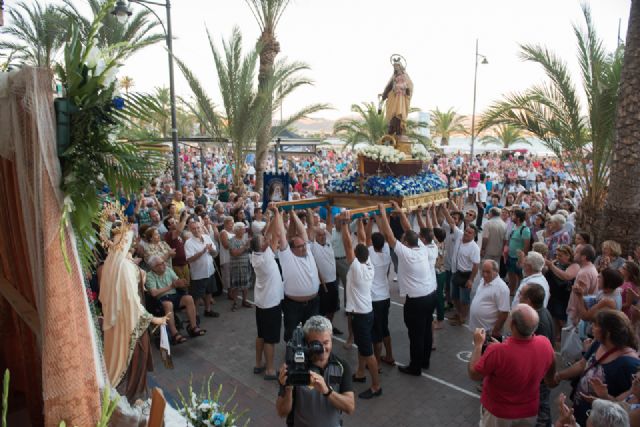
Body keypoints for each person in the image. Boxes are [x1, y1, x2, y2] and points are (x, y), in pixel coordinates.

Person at [99, 227, 170, 403]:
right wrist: (156, 319)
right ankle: (133, 397)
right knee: (135, 359)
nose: (133, 245)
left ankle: (131, 396)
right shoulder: (124, 266)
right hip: (132, 323)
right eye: (130, 242)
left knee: (126, 360)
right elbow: (132, 302)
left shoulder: (112, 262)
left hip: (119, 323)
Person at [468, 304, 556, 426]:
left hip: (499, 414)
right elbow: (550, 372)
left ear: (512, 324)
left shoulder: (497, 351)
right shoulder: (545, 343)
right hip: (529, 412)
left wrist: (478, 345)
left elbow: (474, 374)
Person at [376, 202, 437, 375]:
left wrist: (382, 213)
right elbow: (408, 228)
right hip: (429, 295)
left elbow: (389, 236)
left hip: (416, 300)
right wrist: (400, 211)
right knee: (426, 331)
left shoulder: (406, 252)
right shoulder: (422, 249)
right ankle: (424, 362)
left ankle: (415, 367)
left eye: (403, 240)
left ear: (405, 243)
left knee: (416, 334)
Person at [551, 309, 640, 426]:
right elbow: (582, 364)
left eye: (596, 325)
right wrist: (559, 376)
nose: (592, 327)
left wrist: (604, 397)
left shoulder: (629, 363)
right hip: (581, 410)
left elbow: (624, 402)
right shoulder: (598, 343)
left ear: (607, 332)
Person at [276, 316, 355, 427]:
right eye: (316, 345)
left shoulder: (341, 366)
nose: (322, 349)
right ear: (306, 343)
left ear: (332, 339)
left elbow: (350, 407)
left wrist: (327, 391)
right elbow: (282, 412)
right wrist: (288, 389)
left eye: (326, 342)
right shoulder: (296, 367)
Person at [339, 212, 381, 399]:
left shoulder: (356, 268)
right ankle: (361, 373)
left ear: (356, 257)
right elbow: (362, 239)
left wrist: (345, 224)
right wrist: (361, 221)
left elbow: (348, 244)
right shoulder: (368, 262)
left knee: (368, 351)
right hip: (367, 312)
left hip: (361, 316)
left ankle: (376, 386)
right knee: (363, 347)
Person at [277, 209, 321, 341]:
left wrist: (292, 213)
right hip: (293, 305)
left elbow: (302, 231)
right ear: (291, 249)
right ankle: (291, 357)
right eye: (300, 246)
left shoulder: (308, 253)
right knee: (291, 334)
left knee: (312, 333)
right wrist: (279, 214)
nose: (304, 247)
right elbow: (282, 235)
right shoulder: (286, 256)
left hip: (313, 303)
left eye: (304, 245)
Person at [250, 205, 284, 380]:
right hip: (271, 303)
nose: (266, 241)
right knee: (270, 338)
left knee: (261, 334)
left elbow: (268, 233)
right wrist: (277, 214)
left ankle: (258, 363)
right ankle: (270, 369)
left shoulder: (256, 255)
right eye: (264, 241)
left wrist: (270, 217)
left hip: (261, 302)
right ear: (263, 246)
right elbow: (276, 234)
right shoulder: (266, 255)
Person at [145, 255, 205, 344]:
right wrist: (171, 286)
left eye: (163, 262)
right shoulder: (150, 276)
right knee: (168, 304)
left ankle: (193, 327)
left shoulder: (168, 270)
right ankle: (174, 334)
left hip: (174, 296)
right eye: (160, 264)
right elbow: (154, 293)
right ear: (154, 267)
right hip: (160, 300)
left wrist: (182, 282)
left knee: (188, 298)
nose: (164, 265)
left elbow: (177, 281)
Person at [519, 283, 554, 427]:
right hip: (541, 376)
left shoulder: (538, 322)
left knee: (542, 409)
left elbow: (539, 353)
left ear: (528, 301)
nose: (518, 296)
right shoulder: (541, 312)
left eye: (521, 294)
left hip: (539, 379)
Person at [365, 216, 395, 366]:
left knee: (376, 333)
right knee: (384, 327)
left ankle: (376, 362)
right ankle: (389, 355)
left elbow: (366, 238)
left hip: (375, 299)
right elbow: (384, 235)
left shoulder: (370, 253)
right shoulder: (387, 253)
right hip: (385, 297)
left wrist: (370, 221)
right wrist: (380, 218)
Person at [445, 204, 481, 326]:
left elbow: (476, 265)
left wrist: (471, 280)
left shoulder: (474, 248)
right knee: (454, 296)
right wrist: (444, 206)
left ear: (474, 235)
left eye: (470, 233)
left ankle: (463, 318)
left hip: (466, 275)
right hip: (456, 272)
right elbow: (451, 222)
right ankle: (459, 313)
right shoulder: (459, 235)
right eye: (466, 231)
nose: (466, 234)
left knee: (464, 299)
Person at [184, 219, 219, 318]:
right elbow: (189, 259)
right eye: (194, 228)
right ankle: (195, 314)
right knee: (197, 296)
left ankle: (207, 310)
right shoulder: (188, 243)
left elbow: (215, 253)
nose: (197, 230)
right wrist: (202, 251)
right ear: (190, 230)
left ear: (201, 228)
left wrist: (211, 249)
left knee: (208, 292)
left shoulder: (207, 237)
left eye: (198, 227)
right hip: (198, 274)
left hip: (210, 271)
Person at [544, 244, 579, 343]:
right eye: (557, 255)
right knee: (553, 317)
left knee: (562, 319)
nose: (557, 257)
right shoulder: (556, 262)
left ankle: (566, 340)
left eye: (560, 255)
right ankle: (556, 338)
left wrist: (551, 266)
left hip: (563, 296)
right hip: (553, 295)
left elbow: (567, 276)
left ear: (568, 255)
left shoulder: (574, 266)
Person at [468, 260, 510, 341]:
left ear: (496, 272)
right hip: (478, 329)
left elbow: (504, 313)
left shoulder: (502, 288)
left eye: (488, 272)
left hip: (489, 333)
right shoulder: (483, 280)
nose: (484, 275)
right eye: (483, 271)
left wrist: (495, 331)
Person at [379, 57, 413, 135]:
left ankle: (399, 129)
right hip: (394, 98)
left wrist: (405, 89)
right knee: (393, 114)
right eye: (394, 66)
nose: (396, 67)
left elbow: (410, 85)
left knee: (399, 114)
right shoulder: (394, 77)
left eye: (397, 66)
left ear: (400, 66)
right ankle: (391, 129)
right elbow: (389, 87)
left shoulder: (405, 76)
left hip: (401, 98)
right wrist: (384, 96)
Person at [567, 244, 599, 326]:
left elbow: (581, 295)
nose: (574, 253)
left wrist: (575, 316)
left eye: (577, 252)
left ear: (583, 257)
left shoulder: (584, 273)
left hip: (577, 315)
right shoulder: (590, 268)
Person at [506, 209, 531, 294]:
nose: (511, 217)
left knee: (520, 276)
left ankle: (518, 292)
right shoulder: (514, 227)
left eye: (513, 215)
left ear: (518, 218)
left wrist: (521, 259)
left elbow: (526, 246)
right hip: (510, 256)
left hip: (517, 258)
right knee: (511, 274)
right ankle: (511, 290)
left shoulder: (525, 230)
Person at [228, 222, 252, 311]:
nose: (244, 230)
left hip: (245, 265)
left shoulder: (245, 239)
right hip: (236, 267)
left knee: (245, 285)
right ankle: (235, 303)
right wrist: (245, 247)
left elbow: (249, 250)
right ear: (237, 230)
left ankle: (244, 301)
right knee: (235, 286)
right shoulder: (231, 240)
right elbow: (234, 253)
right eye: (242, 229)